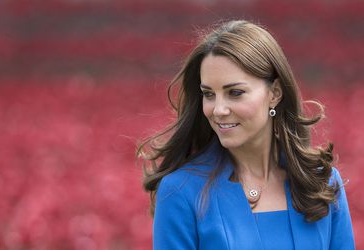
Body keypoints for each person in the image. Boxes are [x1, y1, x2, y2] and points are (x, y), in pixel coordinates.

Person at [138, 20, 355, 249]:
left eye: (235, 93)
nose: (218, 110)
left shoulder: (321, 182)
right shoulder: (181, 192)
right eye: (209, 94)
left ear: (275, 93)